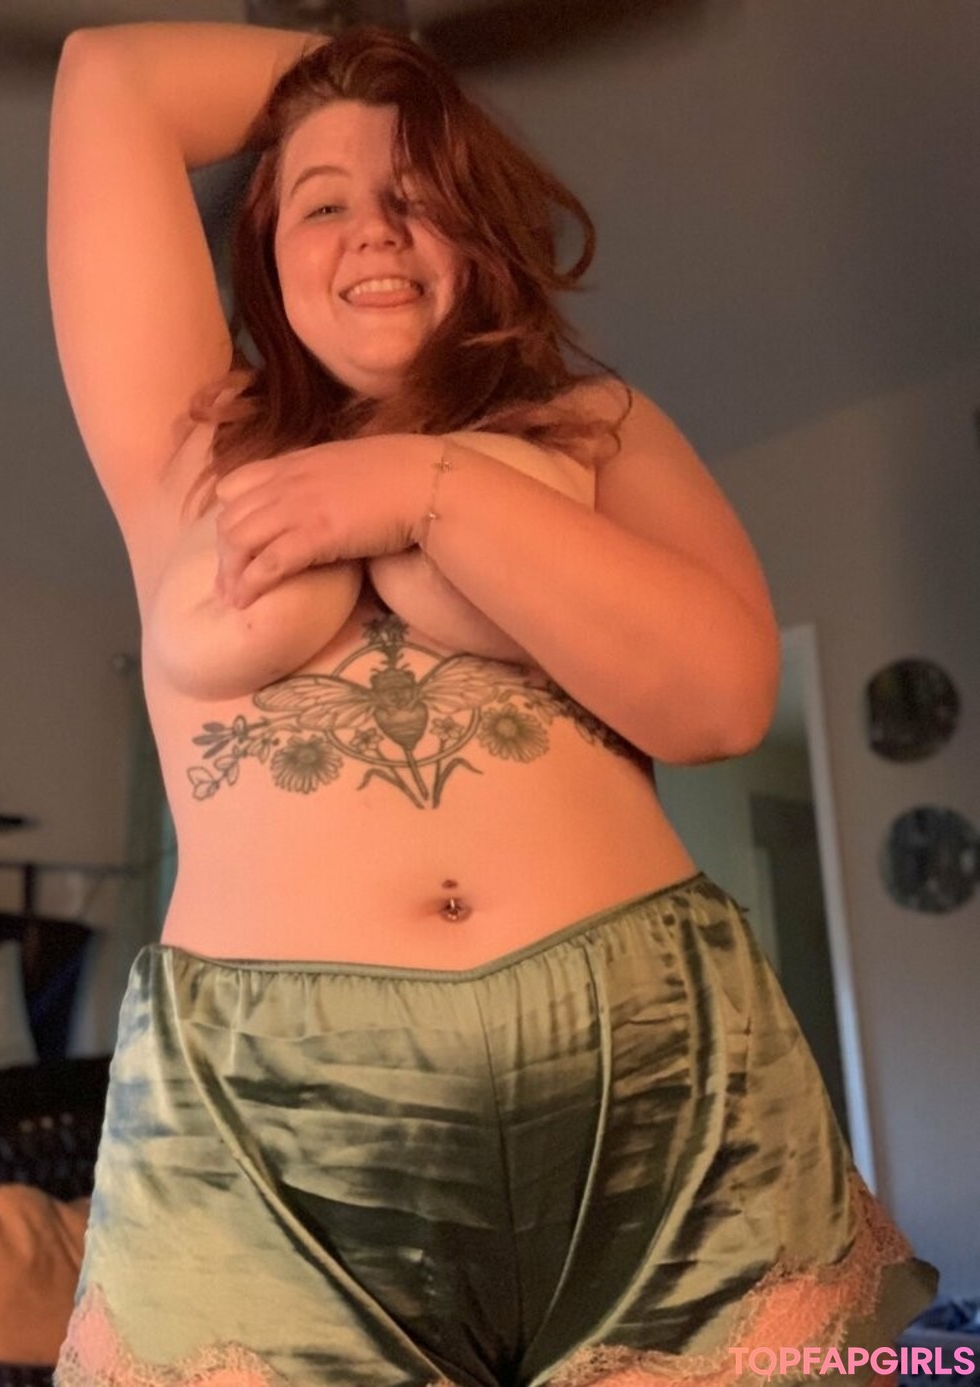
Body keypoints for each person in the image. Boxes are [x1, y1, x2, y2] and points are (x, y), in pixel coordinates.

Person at [46, 21, 937, 1387]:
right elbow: (112, 78)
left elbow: (721, 700)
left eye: (420, 192)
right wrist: (381, 69)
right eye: (323, 204)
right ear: (264, 256)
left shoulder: (592, 427)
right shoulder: (191, 440)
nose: (374, 229)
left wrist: (428, 488)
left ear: (477, 233)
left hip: (656, 1078)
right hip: (265, 1122)